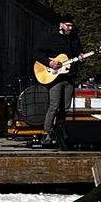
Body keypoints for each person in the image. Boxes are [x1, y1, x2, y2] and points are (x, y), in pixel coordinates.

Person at [32, 16, 85, 146]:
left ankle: (59, 132)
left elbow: (79, 53)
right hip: (54, 77)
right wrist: (49, 63)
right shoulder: (51, 39)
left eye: (72, 26)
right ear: (61, 25)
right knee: (54, 105)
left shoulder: (74, 39)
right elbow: (36, 52)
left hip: (69, 76)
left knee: (65, 107)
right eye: (68, 25)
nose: (70, 28)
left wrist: (82, 58)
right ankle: (47, 132)